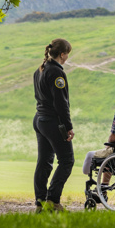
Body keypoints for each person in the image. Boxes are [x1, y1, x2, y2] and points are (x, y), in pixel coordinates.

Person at [33, 38, 74, 213]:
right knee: (67, 160)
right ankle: (53, 200)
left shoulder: (40, 69)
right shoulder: (57, 73)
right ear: (62, 54)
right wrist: (68, 126)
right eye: (67, 54)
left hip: (40, 119)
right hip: (52, 121)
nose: (67, 58)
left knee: (44, 161)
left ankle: (40, 201)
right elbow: (61, 103)